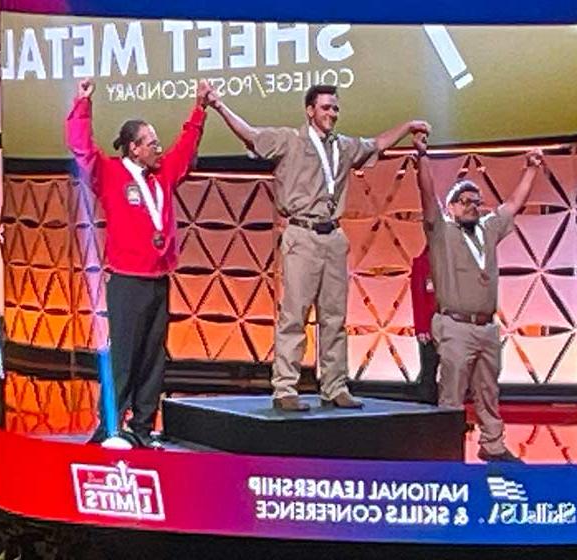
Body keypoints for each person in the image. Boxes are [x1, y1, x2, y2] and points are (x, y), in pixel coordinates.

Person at [211, 84, 430, 411]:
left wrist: (408, 127)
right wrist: (218, 104)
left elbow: (378, 144)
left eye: (335, 109)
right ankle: (285, 388)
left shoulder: (344, 147)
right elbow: (250, 135)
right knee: (294, 315)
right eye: (325, 108)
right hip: (302, 234)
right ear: (310, 110)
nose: (331, 114)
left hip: (334, 237)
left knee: (334, 318)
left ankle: (334, 386)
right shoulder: (290, 140)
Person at [65, 77, 213, 447]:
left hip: (159, 279)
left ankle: (144, 427)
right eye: (151, 143)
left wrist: (200, 108)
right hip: (127, 281)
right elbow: (81, 149)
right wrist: (83, 104)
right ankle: (110, 427)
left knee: (152, 358)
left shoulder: (163, 175)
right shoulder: (110, 173)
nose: (158, 148)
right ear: (133, 149)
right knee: (124, 358)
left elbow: (185, 145)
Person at [413, 132, 542, 462]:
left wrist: (530, 169)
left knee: (489, 390)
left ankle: (493, 445)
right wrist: (423, 158)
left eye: (476, 200)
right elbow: (427, 196)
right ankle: (445, 452)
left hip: (486, 327)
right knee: (452, 392)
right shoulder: (442, 231)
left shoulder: (488, 228)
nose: (472, 205)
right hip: (455, 325)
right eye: (465, 200)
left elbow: (513, 205)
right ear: (452, 207)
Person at [410, 245, 439, 405]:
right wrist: (421, 328)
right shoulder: (422, 263)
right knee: (429, 369)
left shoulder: (454, 262)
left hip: (451, 325)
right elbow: (418, 298)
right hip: (429, 327)